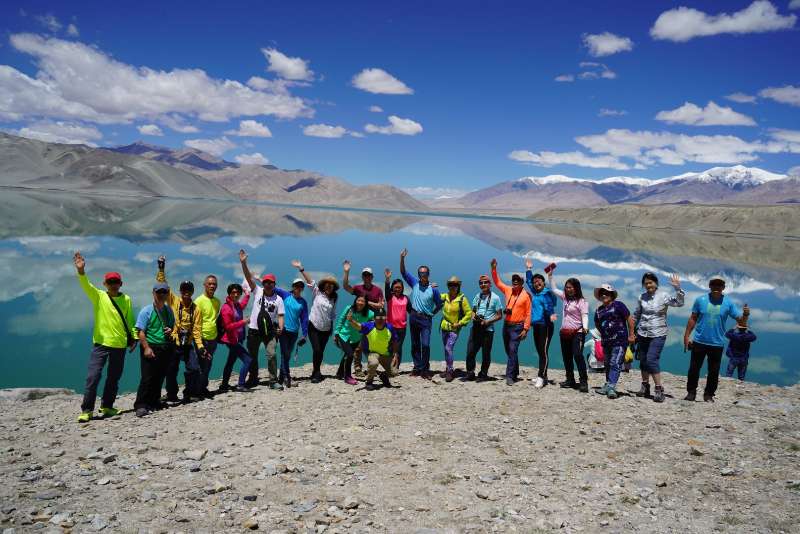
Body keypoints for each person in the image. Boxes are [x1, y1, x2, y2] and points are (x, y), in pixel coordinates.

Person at [73, 252, 136, 423]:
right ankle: (87, 410)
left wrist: (134, 339)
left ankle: (107, 406)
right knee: (93, 377)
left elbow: (130, 320)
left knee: (113, 378)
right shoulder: (99, 296)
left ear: (121, 283)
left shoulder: (127, 299)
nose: (114, 285)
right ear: (105, 284)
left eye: (116, 282)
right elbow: (86, 285)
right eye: (110, 282)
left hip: (120, 345)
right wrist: (81, 271)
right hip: (100, 344)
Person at [683, 277, 750, 402]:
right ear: (709, 286)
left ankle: (709, 395)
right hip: (699, 341)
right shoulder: (700, 300)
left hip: (717, 343)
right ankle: (691, 393)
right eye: (714, 285)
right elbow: (693, 318)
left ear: (723, 288)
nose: (716, 287)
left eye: (719, 285)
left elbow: (740, 321)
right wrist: (686, 336)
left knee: (713, 371)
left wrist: (745, 315)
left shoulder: (728, 303)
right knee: (694, 369)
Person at [155, 256, 206, 403]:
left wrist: (201, 347)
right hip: (174, 342)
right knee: (171, 370)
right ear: (180, 291)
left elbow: (196, 330)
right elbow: (162, 285)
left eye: (189, 290)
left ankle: (189, 392)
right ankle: (171, 394)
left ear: (192, 291)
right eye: (184, 289)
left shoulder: (196, 309)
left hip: (188, 344)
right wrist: (161, 268)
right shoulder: (174, 301)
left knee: (194, 368)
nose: (186, 292)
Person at [632, 272, 684, 403]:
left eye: (650, 282)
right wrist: (632, 332)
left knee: (651, 359)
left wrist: (677, 288)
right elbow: (637, 315)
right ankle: (645, 386)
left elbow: (679, 303)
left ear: (656, 283)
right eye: (646, 283)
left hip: (658, 333)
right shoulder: (641, 297)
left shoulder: (663, 295)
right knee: (643, 360)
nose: (648, 285)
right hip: (643, 333)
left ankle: (659, 389)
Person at [240, 250, 285, 389]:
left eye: (270, 283)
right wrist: (243, 263)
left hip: (269, 331)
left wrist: (281, 328)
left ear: (274, 284)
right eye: (265, 282)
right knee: (252, 356)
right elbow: (248, 278)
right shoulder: (257, 291)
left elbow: (281, 315)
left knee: (271, 354)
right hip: (254, 329)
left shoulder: (278, 299)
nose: (267, 285)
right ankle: (253, 378)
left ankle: (273, 381)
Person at [133, 282, 176, 417]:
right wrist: (146, 347)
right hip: (151, 346)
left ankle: (154, 401)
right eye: (159, 292)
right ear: (153, 293)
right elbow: (140, 331)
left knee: (159, 376)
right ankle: (140, 404)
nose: (162, 295)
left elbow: (172, 326)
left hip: (164, 347)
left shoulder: (168, 310)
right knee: (147, 377)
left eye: (164, 292)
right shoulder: (146, 310)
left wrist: (171, 330)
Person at [400, 248, 442, 378]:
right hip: (414, 316)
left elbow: (439, 304)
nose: (422, 275)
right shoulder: (415, 283)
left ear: (428, 274)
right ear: (418, 274)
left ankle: (425, 368)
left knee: (426, 344)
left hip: (425, 319)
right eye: (420, 273)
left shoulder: (433, 289)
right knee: (415, 344)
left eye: (425, 273)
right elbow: (403, 272)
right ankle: (417, 367)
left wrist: (432, 314)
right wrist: (402, 258)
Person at [294, 259, 338, 383]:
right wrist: (301, 268)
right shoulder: (317, 293)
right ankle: (316, 371)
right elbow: (310, 281)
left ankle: (316, 372)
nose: (329, 286)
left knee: (321, 351)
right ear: (323, 286)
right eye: (327, 285)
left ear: (333, 287)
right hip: (313, 325)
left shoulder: (334, 298)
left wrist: (333, 330)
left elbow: (333, 313)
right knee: (317, 349)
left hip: (326, 328)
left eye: (331, 285)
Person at [491, 259, 531, 386]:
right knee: (509, 351)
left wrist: (525, 329)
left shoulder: (525, 296)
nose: (514, 283)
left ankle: (510, 376)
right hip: (506, 325)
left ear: (521, 283)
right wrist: (493, 269)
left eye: (517, 281)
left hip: (518, 327)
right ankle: (515, 371)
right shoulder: (508, 290)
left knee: (513, 350)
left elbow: (528, 313)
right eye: (513, 281)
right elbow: (497, 282)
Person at [548, 267, 590, 393]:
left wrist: (586, 327)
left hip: (577, 332)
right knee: (566, 357)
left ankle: (583, 381)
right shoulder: (565, 298)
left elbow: (584, 315)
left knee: (577, 355)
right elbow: (554, 289)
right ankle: (570, 379)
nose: (568, 289)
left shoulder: (582, 301)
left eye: (571, 287)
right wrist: (550, 276)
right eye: (567, 287)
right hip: (564, 332)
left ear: (576, 288)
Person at [593, 284, 636, 399]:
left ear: (612, 295)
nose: (604, 295)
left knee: (615, 362)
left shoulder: (619, 305)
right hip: (607, 341)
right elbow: (597, 323)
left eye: (606, 293)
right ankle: (608, 384)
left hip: (620, 340)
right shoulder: (598, 310)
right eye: (602, 293)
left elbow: (629, 319)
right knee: (607, 364)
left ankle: (612, 387)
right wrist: (603, 333)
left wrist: (631, 334)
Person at [343, 261, 385, 376]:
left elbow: (381, 305)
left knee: (371, 345)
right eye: (365, 275)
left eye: (368, 275)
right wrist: (346, 272)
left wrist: (367, 302)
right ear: (362, 277)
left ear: (372, 277)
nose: (367, 277)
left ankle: (371, 367)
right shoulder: (358, 288)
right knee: (358, 345)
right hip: (359, 320)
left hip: (372, 321)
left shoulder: (378, 290)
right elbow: (346, 287)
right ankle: (357, 368)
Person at [461, 274, 503, 382]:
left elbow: (499, 315)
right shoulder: (477, 296)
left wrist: (488, 321)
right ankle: (470, 372)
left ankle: (483, 374)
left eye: (485, 282)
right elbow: (473, 311)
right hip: (476, 328)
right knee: (470, 351)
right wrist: (473, 316)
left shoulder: (496, 298)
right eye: (481, 283)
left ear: (490, 284)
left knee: (485, 353)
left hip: (487, 330)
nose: (483, 284)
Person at [525, 259, 557, 388]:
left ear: (544, 283)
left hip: (546, 326)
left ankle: (541, 377)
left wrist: (551, 316)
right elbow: (528, 281)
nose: (536, 283)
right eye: (535, 282)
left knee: (543, 351)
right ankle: (543, 375)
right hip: (537, 325)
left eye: (539, 281)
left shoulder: (547, 293)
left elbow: (550, 305)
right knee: (540, 351)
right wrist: (528, 269)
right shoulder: (536, 293)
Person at [347, 308, 397, 390]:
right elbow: (359, 326)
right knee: (373, 363)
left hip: (385, 354)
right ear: (374, 318)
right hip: (373, 353)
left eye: (383, 317)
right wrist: (351, 320)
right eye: (378, 317)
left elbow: (395, 340)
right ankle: (369, 382)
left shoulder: (390, 327)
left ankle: (383, 376)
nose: (380, 319)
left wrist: (395, 354)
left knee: (394, 372)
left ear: (385, 318)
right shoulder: (369, 326)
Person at [277, 274, 310, 389]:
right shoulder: (285, 295)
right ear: (293, 286)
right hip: (283, 330)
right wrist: (259, 279)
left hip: (294, 332)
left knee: (287, 355)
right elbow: (272, 287)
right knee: (284, 354)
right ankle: (287, 378)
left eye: (301, 286)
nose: (299, 288)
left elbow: (304, 319)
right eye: (297, 286)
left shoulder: (303, 302)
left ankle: (281, 377)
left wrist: (305, 335)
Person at [219, 283, 252, 392]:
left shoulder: (236, 305)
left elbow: (243, 304)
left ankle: (224, 385)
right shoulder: (226, 308)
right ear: (229, 293)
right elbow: (228, 327)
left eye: (238, 292)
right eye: (233, 292)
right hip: (231, 340)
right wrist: (243, 322)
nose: (236, 294)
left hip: (238, 338)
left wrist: (247, 295)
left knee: (230, 361)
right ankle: (241, 385)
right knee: (248, 360)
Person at [438, 276, 472, 381]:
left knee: (449, 348)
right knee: (446, 349)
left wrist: (460, 323)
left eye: (455, 285)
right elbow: (435, 297)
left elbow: (469, 313)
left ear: (458, 286)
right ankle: (448, 368)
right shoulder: (445, 296)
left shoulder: (462, 299)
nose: (453, 287)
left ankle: (450, 371)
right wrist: (432, 288)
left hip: (454, 328)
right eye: (450, 285)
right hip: (444, 327)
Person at [334, 295, 374, 384]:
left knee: (346, 355)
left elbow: (375, 322)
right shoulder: (349, 308)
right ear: (355, 301)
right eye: (358, 300)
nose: (360, 302)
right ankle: (347, 377)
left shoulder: (369, 313)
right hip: (344, 335)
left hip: (356, 338)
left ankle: (340, 372)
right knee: (350, 355)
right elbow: (341, 319)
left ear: (365, 303)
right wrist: (336, 333)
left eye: (362, 301)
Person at [194, 274, 221, 397]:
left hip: (213, 339)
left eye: (214, 284)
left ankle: (203, 388)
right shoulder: (198, 301)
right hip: (202, 339)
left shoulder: (217, 302)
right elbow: (195, 323)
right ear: (204, 285)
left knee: (208, 364)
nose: (212, 286)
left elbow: (214, 319)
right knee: (200, 365)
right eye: (209, 284)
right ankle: (196, 391)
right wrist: (198, 341)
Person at [384, 269, 409, 376]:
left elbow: (411, 310)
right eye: (396, 287)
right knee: (389, 348)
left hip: (402, 328)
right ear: (392, 288)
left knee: (398, 348)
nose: (398, 289)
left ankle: (396, 368)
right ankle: (389, 367)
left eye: (399, 287)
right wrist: (387, 279)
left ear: (402, 288)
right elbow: (386, 290)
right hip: (390, 327)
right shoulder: (390, 297)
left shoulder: (406, 298)